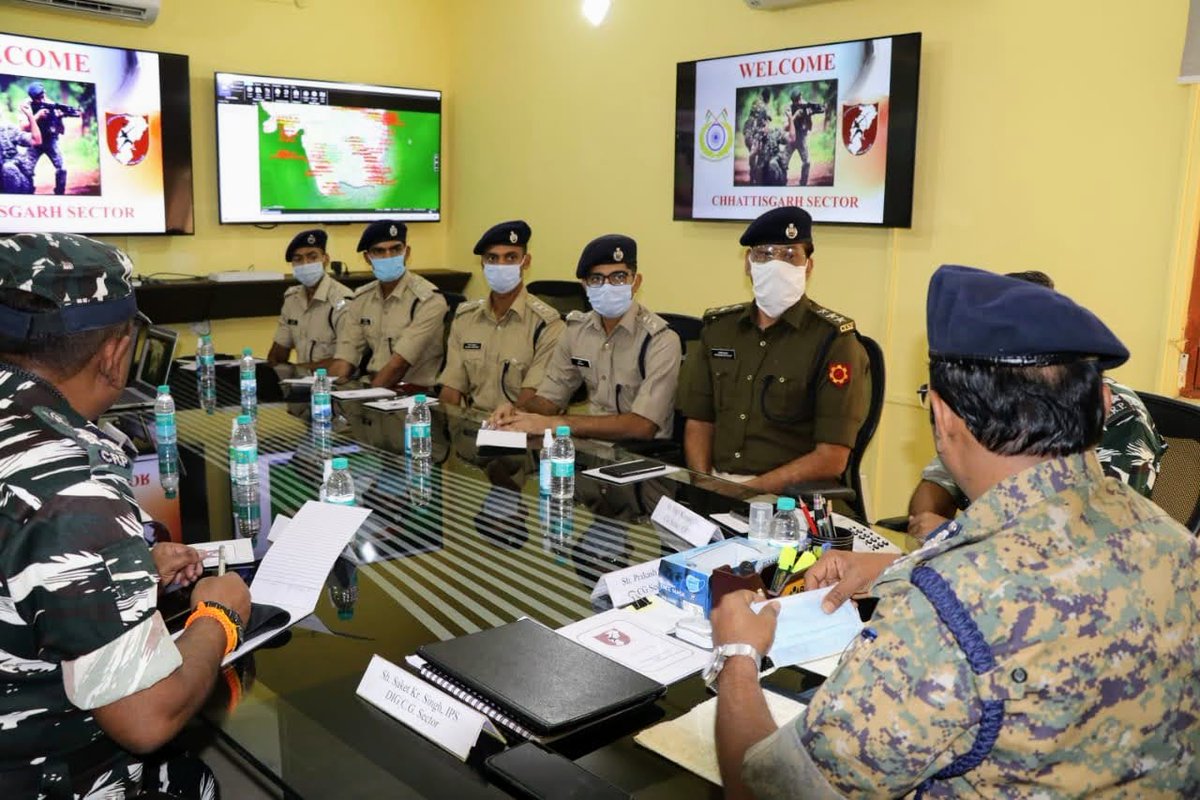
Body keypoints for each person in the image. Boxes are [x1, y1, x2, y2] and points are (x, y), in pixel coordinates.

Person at [710, 265, 1200, 798]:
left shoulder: (942, 620)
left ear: (942, 417)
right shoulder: (1178, 546)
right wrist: (896, 567)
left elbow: (764, 791)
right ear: (1098, 405)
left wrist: (736, 653)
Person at [0, 233, 252, 798]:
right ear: (116, 353)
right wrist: (219, 616)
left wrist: (123, 563)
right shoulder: (71, 481)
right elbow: (145, 719)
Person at [906, 269, 1167, 537]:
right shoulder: (986, 396)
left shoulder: (1113, 412)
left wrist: (954, 537)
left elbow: (1098, 530)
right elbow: (934, 490)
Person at [678, 207, 870, 493]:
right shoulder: (719, 330)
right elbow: (699, 422)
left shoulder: (834, 341)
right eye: (765, 254)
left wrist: (745, 492)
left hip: (786, 498)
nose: (776, 264)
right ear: (748, 263)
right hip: (715, 485)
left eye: (790, 255)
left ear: (809, 266)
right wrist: (704, 485)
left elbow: (832, 457)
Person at [489, 234, 681, 440]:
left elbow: (642, 426)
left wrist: (557, 423)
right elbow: (550, 398)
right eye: (596, 279)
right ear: (584, 286)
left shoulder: (661, 340)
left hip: (645, 456)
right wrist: (516, 414)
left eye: (618, 277)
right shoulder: (576, 330)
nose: (607, 287)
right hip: (593, 448)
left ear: (635, 282)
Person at [438, 220, 563, 412]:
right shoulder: (465, 318)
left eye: (511, 258)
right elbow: (451, 391)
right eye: (492, 258)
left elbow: (531, 402)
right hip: (472, 428)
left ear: (526, 262)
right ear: (482, 263)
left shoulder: (547, 324)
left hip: (520, 430)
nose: (500, 265)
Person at [329, 220, 448, 391]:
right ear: (367, 258)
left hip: (413, 396)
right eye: (379, 251)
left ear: (406, 252)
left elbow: (398, 365)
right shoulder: (362, 298)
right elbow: (345, 357)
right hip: (373, 387)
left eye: (395, 249)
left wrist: (365, 398)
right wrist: (327, 392)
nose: (388, 256)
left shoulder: (428, 300)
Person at [267, 228, 353, 370]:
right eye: (298, 259)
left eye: (312, 257)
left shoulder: (342, 301)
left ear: (325, 259)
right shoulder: (292, 299)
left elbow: (345, 362)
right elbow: (277, 353)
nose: (305, 263)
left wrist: (297, 371)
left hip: (337, 386)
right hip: (302, 383)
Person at [21, 83, 73, 195]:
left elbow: (61, 131)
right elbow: (23, 127)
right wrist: (37, 116)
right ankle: (28, 193)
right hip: (35, 142)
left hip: (51, 141)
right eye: (38, 98)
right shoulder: (27, 105)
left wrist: (59, 118)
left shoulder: (51, 105)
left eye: (42, 96)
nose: (41, 99)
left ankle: (60, 193)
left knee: (62, 169)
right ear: (32, 98)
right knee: (26, 170)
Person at [0, 104, 44, 195]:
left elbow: (36, 141)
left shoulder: (7, 131)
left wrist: (30, 116)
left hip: (16, 184)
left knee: (8, 168)